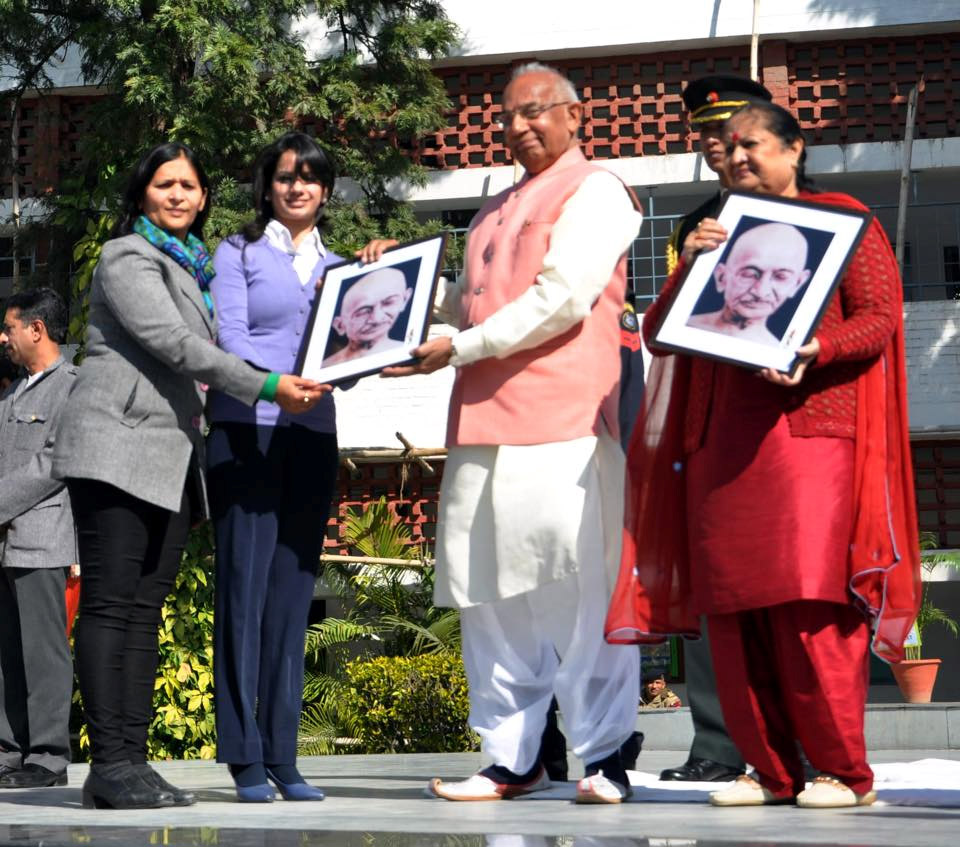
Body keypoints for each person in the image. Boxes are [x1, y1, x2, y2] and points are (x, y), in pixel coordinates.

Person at [622, 99, 920, 809]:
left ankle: (842, 771)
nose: (737, 155)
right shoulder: (716, 233)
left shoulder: (846, 219)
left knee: (807, 604)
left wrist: (819, 349)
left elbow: (880, 317)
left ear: (794, 150)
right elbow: (661, 334)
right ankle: (769, 769)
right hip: (717, 445)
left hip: (811, 437)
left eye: (752, 143)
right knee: (731, 612)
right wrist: (687, 264)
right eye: (728, 147)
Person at [361, 62, 643, 804]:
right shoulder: (495, 204)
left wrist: (457, 346)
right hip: (481, 421)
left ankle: (606, 755)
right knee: (486, 594)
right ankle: (512, 757)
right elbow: (473, 304)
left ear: (576, 116)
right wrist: (401, 286)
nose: (519, 127)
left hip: (566, 420)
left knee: (577, 592)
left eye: (535, 112)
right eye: (508, 117)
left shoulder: (598, 190)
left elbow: (561, 298)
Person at [52, 141, 328, 810]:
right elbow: (178, 345)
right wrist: (266, 384)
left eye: (189, 186)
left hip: (170, 454)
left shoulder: (194, 265)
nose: (177, 195)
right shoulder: (127, 257)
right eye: (164, 184)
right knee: (112, 605)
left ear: (204, 198)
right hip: (117, 446)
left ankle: (132, 762)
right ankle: (108, 762)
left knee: (144, 611)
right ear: (142, 193)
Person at [206, 131, 342, 803]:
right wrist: (273, 382)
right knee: (243, 594)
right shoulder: (236, 253)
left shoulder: (341, 266)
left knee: (292, 601)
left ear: (326, 189)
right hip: (245, 429)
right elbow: (228, 337)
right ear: (267, 185)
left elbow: (357, 345)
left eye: (312, 177)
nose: (298, 187)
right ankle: (244, 754)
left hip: (312, 435)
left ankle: (285, 754)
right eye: (287, 176)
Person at [658, 74, 767, 785]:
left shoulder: (817, 214)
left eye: (730, 133)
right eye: (705, 136)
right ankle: (716, 744)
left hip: (788, 425)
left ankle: (798, 741)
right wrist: (696, 264)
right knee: (710, 591)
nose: (717, 147)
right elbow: (670, 333)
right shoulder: (689, 225)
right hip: (711, 425)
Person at [0, 288, 76, 790]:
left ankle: (47, 757)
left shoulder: (73, 386)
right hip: (7, 543)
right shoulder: (12, 392)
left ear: (36, 329)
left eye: (9, 327)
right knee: (7, 653)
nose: (3, 337)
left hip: (43, 538)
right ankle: (9, 751)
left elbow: (55, 462)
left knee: (43, 653)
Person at [686, 222, 811, 345]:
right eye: (750, 274)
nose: (761, 292)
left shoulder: (776, 354)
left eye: (781, 277)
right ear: (721, 277)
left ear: (797, 284)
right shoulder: (680, 328)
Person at [322, 267, 412, 365]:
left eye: (389, 302)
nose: (376, 318)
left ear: (405, 300)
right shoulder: (325, 368)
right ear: (340, 325)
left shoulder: (408, 351)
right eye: (363, 312)